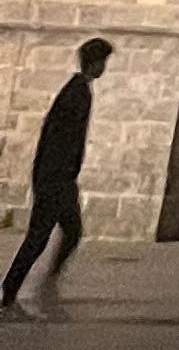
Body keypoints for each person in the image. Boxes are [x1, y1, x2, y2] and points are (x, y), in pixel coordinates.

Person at [2, 38, 109, 323]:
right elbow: (59, 138)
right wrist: (57, 175)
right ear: (95, 63)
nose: (104, 68)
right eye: (103, 62)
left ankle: (46, 283)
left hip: (60, 177)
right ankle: (10, 292)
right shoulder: (76, 93)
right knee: (38, 236)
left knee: (72, 230)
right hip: (55, 177)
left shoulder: (79, 90)